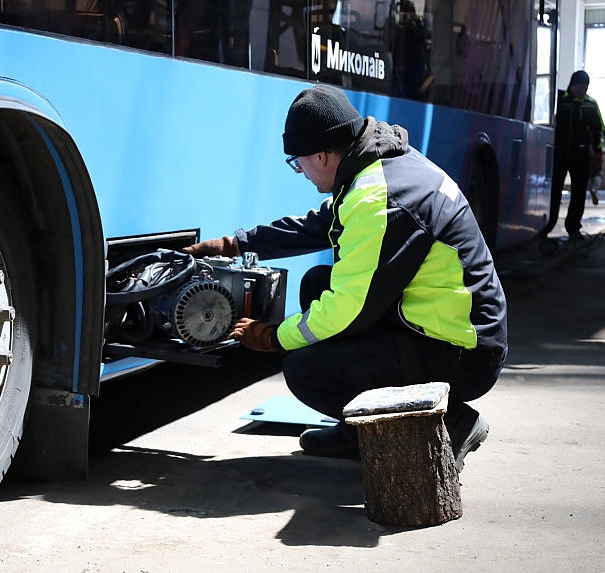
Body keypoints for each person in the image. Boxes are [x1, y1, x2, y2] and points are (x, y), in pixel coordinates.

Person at [186, 85, 507, 471]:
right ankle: (359, 430)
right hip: (447, 326)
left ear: (321, 155)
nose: (300, 172)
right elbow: (318, 225)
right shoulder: (377, 164)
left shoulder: (379, 200)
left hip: (461, 352)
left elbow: (347, 310)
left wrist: (271, 337)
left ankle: (453, 422)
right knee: (316, 284)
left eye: (297, 162)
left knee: (306, 369)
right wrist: (234, 244)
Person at [542, 70, 604, 241]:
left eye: (584, 88)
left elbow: (599, 130)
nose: (581, 90)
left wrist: (598, 151)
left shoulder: (590, 105)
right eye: (579, 87)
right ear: (571, 85)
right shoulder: (559, 101)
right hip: (559, 155)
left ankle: (573, 229)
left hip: (581, 156)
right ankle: (546, 226)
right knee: (554, 192)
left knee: (578, 194)